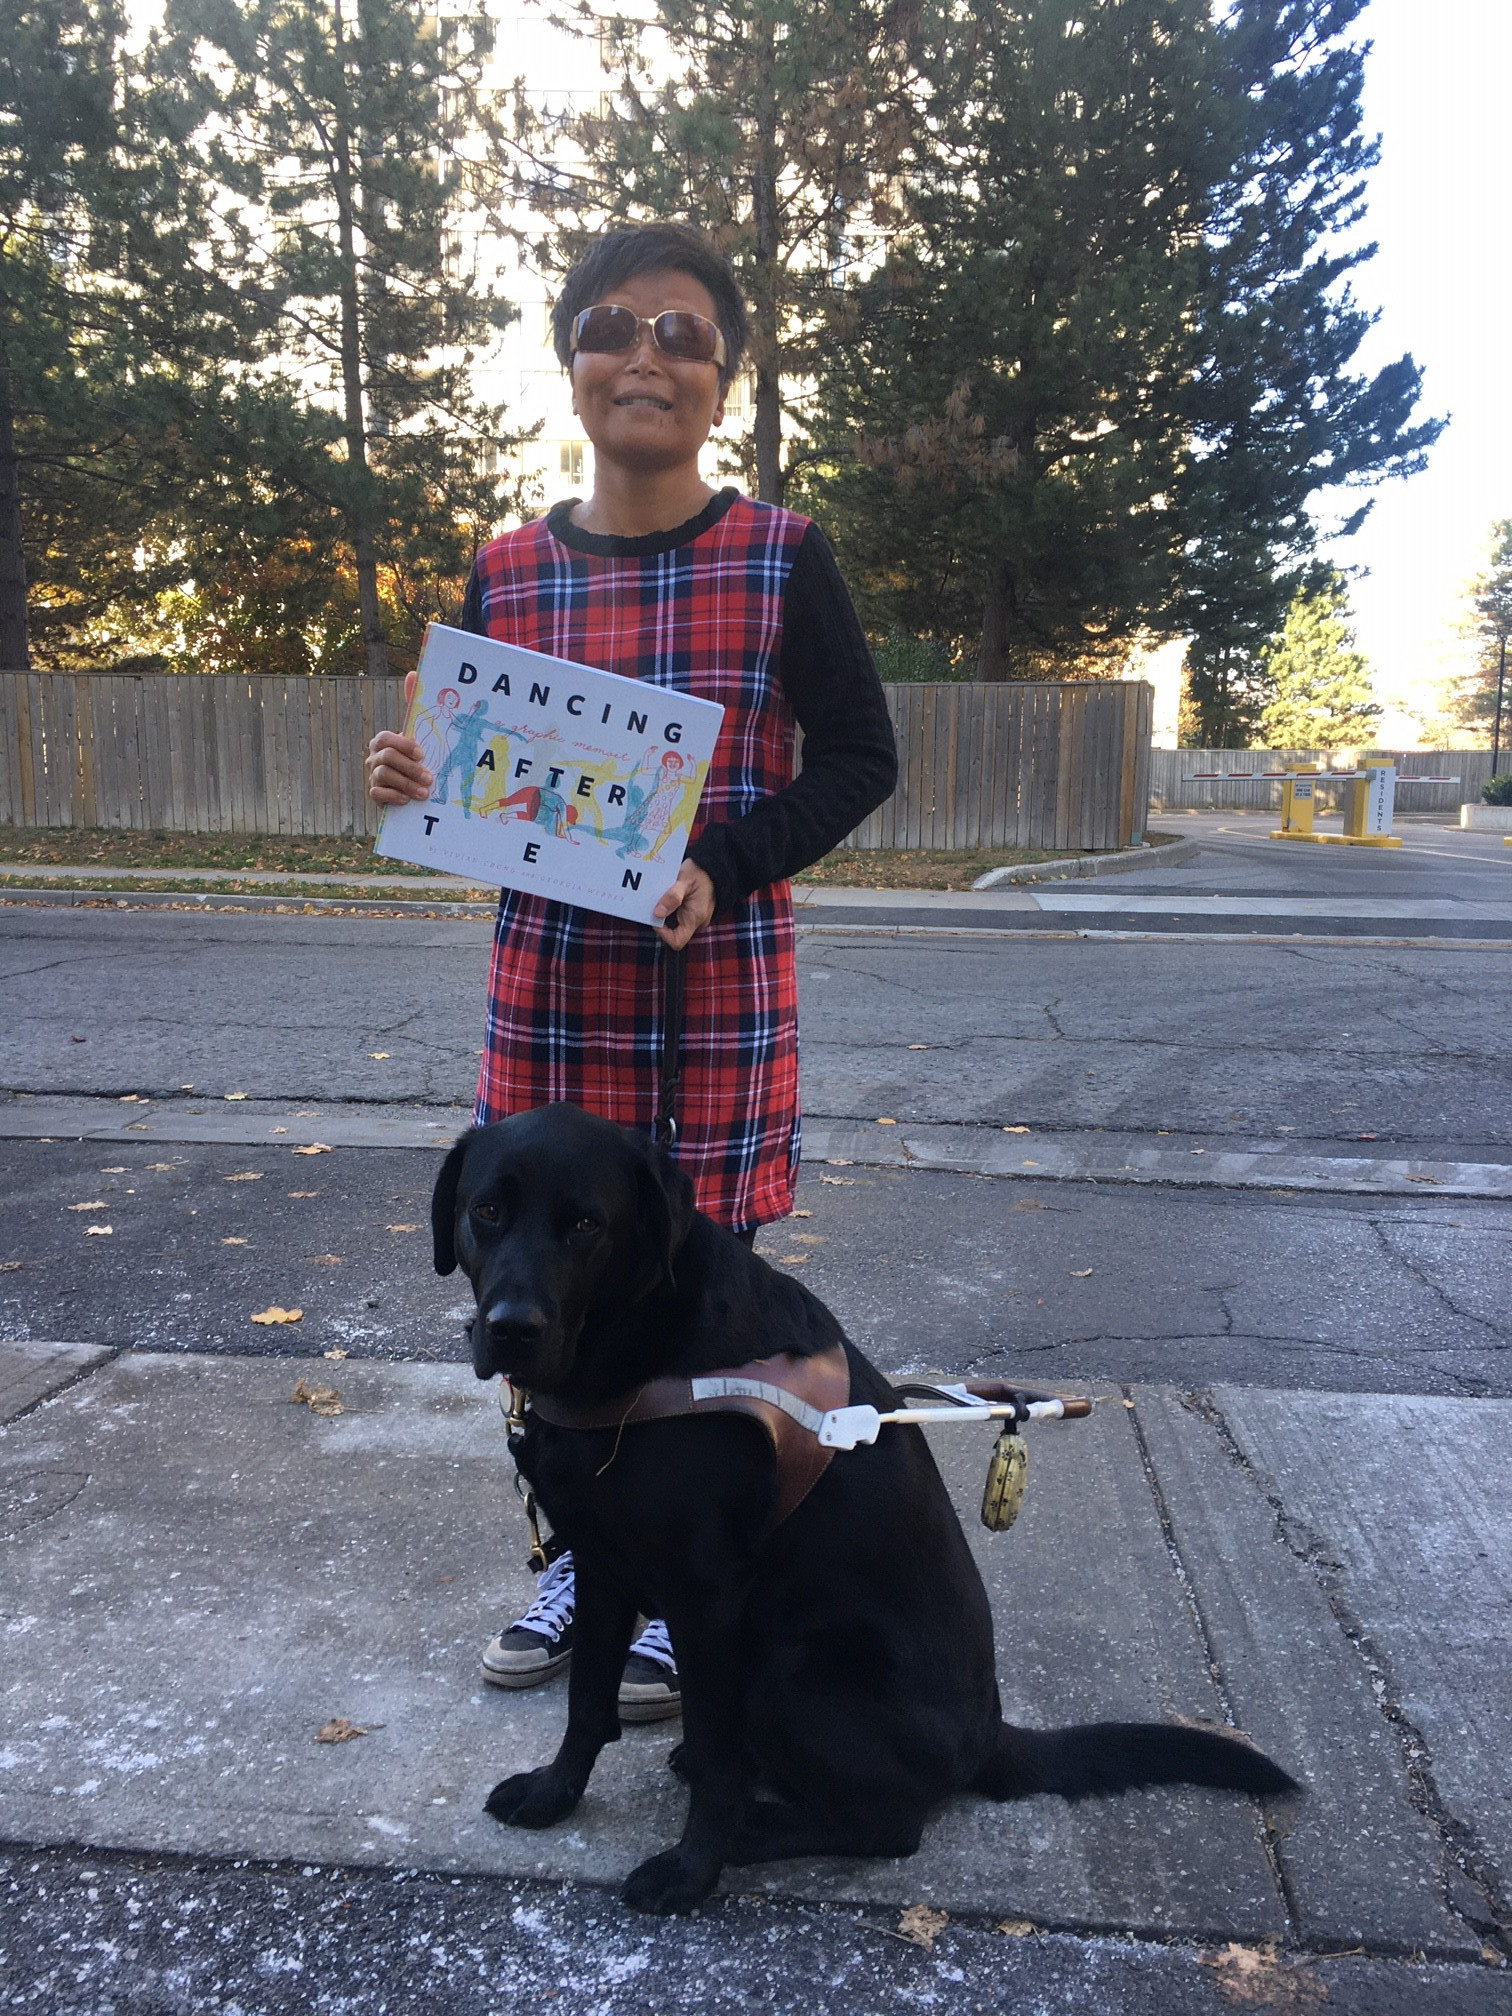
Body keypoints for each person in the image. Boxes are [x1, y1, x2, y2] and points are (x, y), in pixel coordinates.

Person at [366, 221, 897, 1722]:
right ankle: (572, 1553)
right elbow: (475, 805)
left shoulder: (782, 557)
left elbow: (863, 757)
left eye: (683, 333)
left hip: (710, 1007)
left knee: (700, 1311)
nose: (645, 354)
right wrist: (411, 783)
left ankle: (681, 1579)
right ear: (573, 365)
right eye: (613, 327)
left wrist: (721, 863)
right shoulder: (507, 568)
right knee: (538, 1294)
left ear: (722, 381)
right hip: (549, 1004)